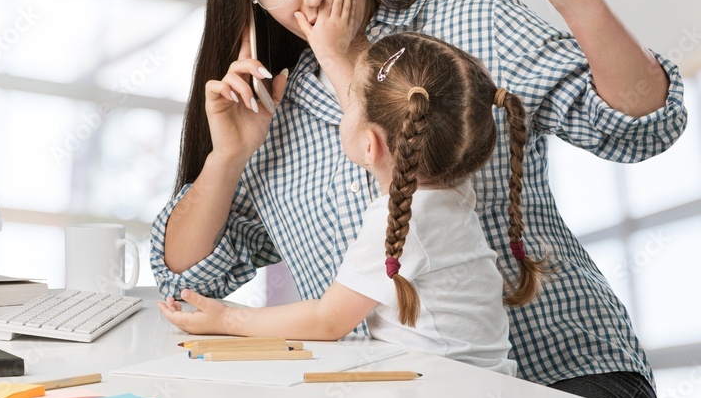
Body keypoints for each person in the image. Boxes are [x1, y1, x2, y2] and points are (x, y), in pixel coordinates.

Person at [150, 0, 686, 398]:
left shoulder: (471, 27)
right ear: (254, 2)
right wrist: (227, 158)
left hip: (560, 378)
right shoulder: (267, 112)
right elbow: (183, 278)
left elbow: (642, 126)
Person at [159, 31, 549, 377]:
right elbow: (395, 120)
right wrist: (331, 52)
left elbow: (328, 320)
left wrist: (227, 319)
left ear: (369, 146)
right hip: (474, 390)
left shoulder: (403, 222)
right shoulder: (450, 187)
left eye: (349, 102)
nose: (343, 107)